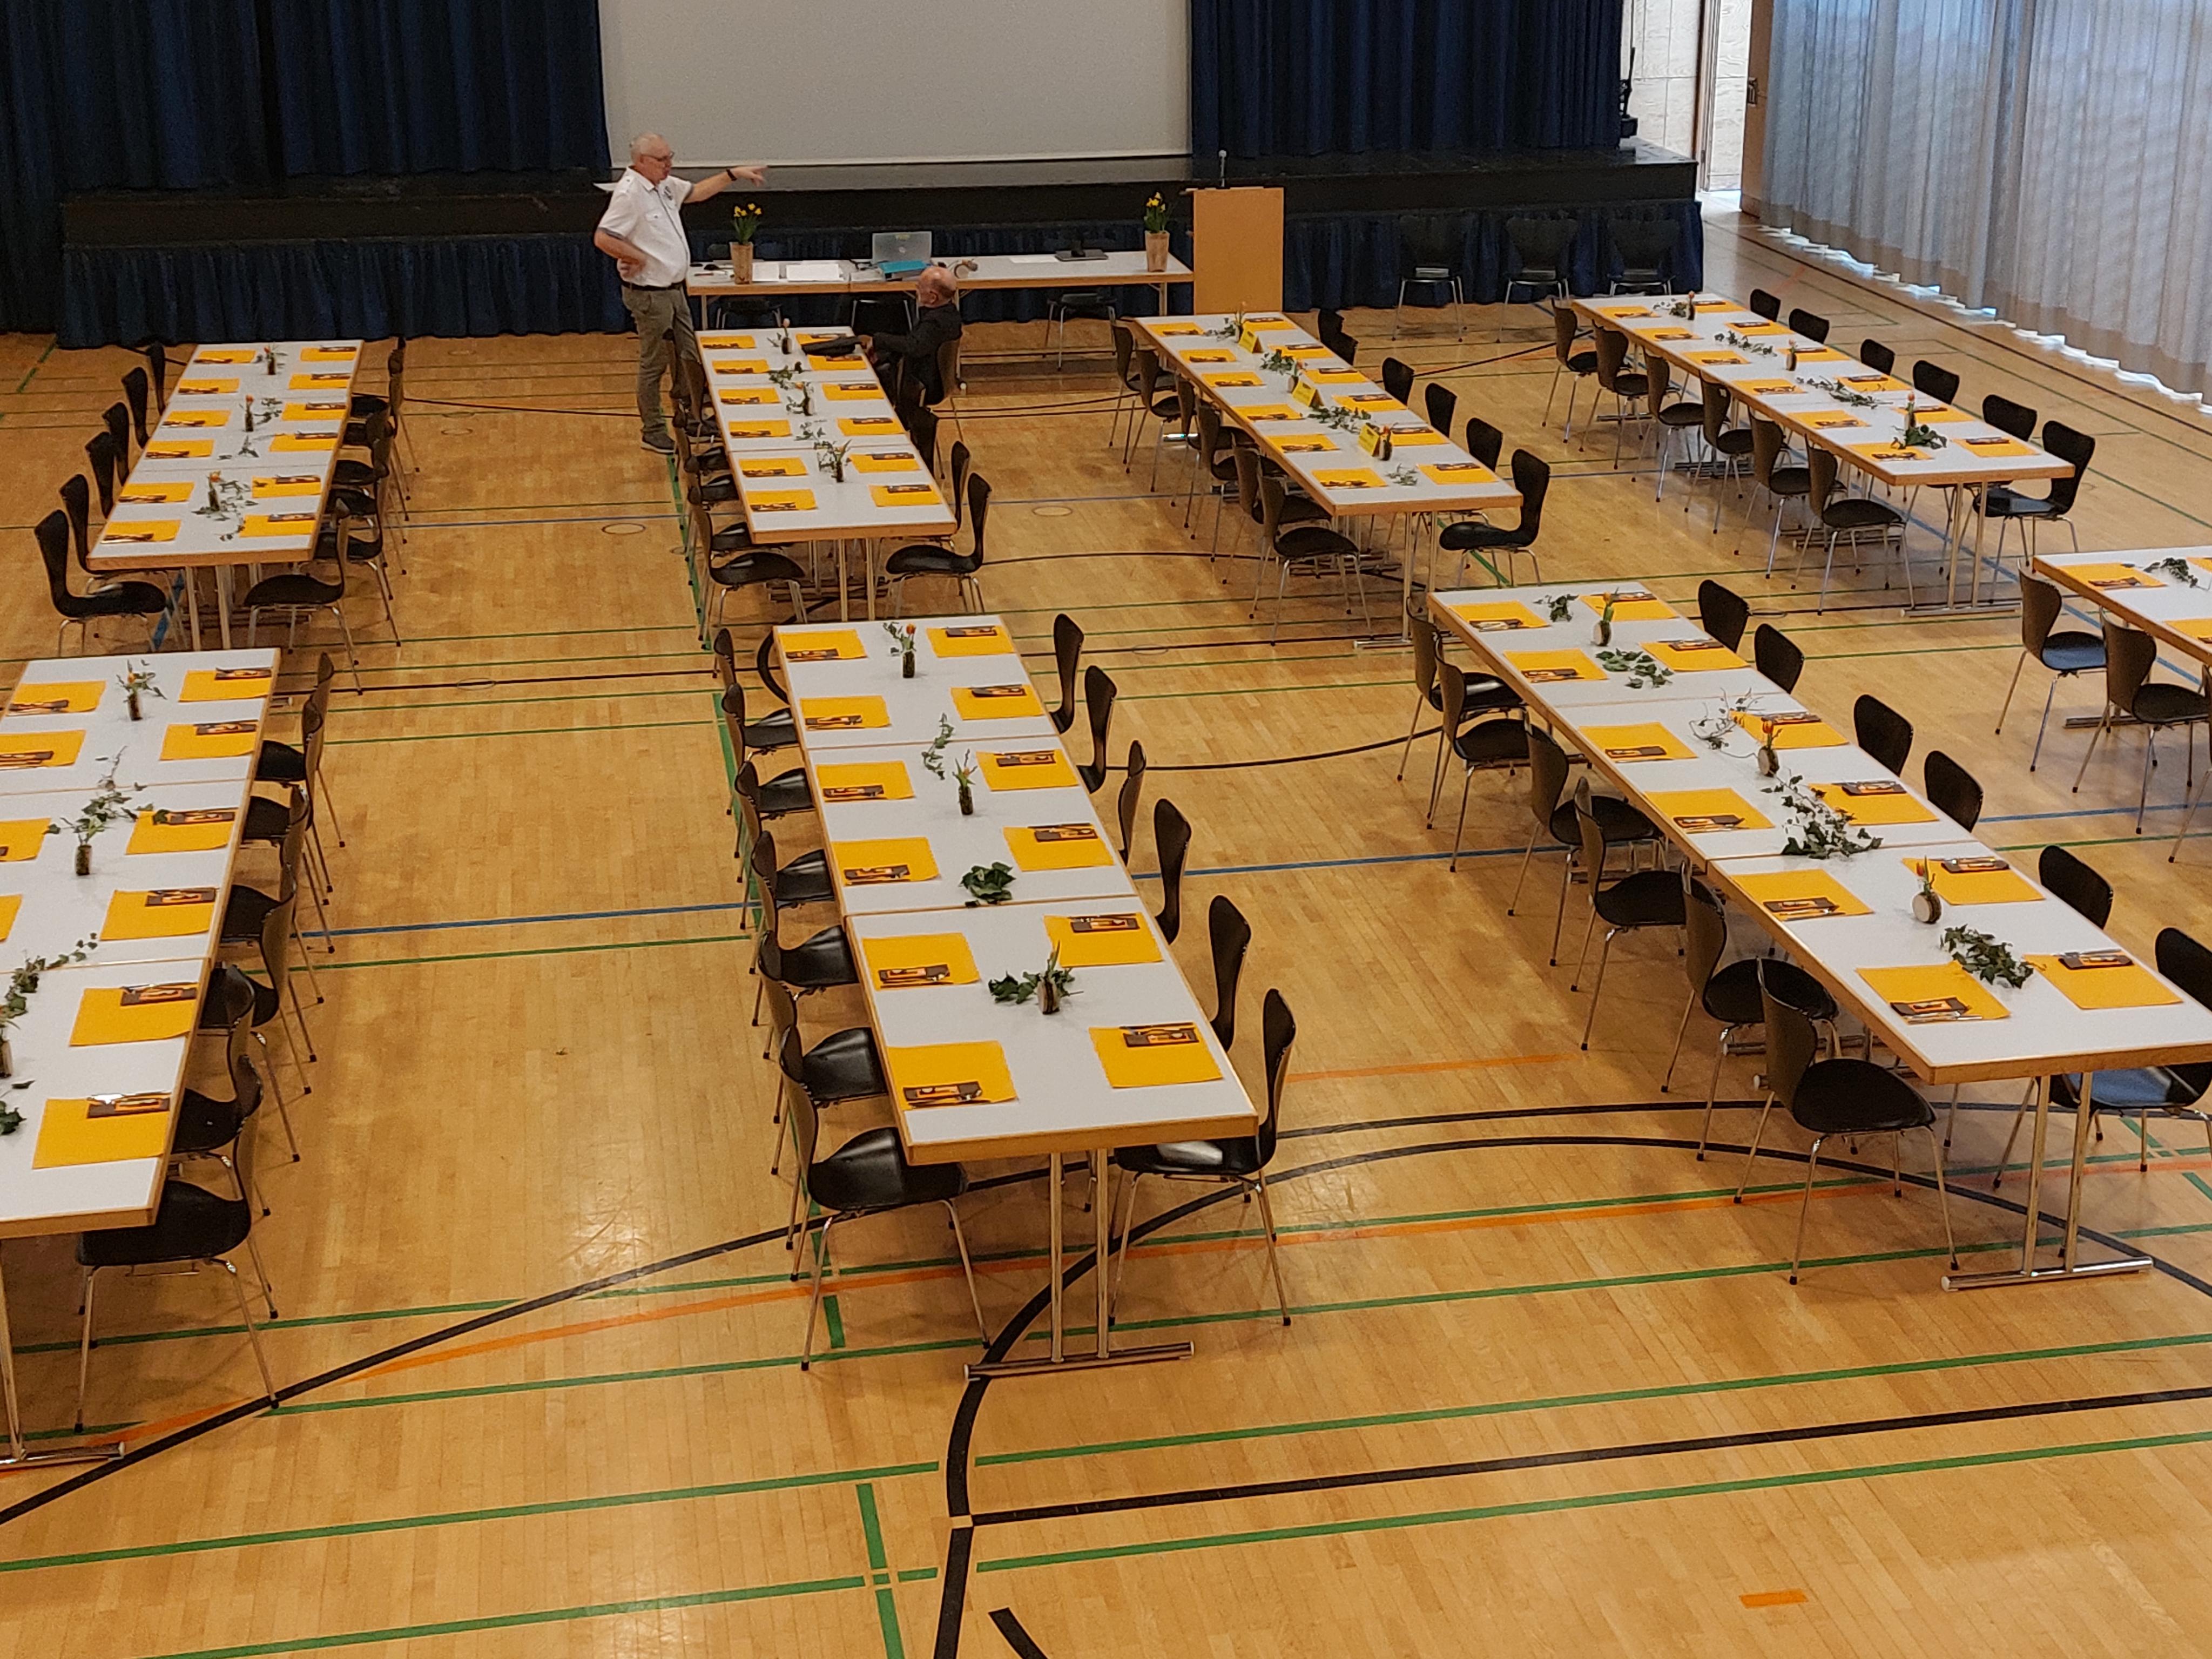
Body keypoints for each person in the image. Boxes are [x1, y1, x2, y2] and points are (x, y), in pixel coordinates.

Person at [595, 132, 767, 453]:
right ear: (641, 162)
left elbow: (697, 192)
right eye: (662, 159)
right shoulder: (629, 194)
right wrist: (637, 257)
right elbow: (604, 237)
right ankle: (652, 431)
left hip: (674, 290)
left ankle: (694, 418)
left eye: (670, 156)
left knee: (689, 357)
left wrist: (732, 174)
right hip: (650, 295)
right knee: (655, 363)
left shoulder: (664, 185)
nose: (669, 164)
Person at [861, 266, 963, 405]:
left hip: (924, 383)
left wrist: (878, 340)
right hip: (934, 378)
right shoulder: (951, 314)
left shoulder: (936, 322)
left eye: (920, 287)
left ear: (933, 297)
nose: (916, 290)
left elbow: (914, 346)